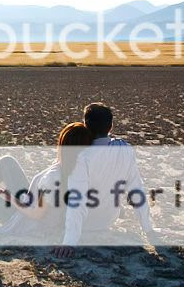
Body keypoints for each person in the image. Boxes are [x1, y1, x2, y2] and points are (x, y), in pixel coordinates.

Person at [52, 103, 158, 258]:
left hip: (85, 224)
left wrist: (69, 242)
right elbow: (137, 190)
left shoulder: (82, 157)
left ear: (85, 125)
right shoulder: (125, 149)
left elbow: (77, 200)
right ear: (111, 126)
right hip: (108, 220)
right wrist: (148, 230)